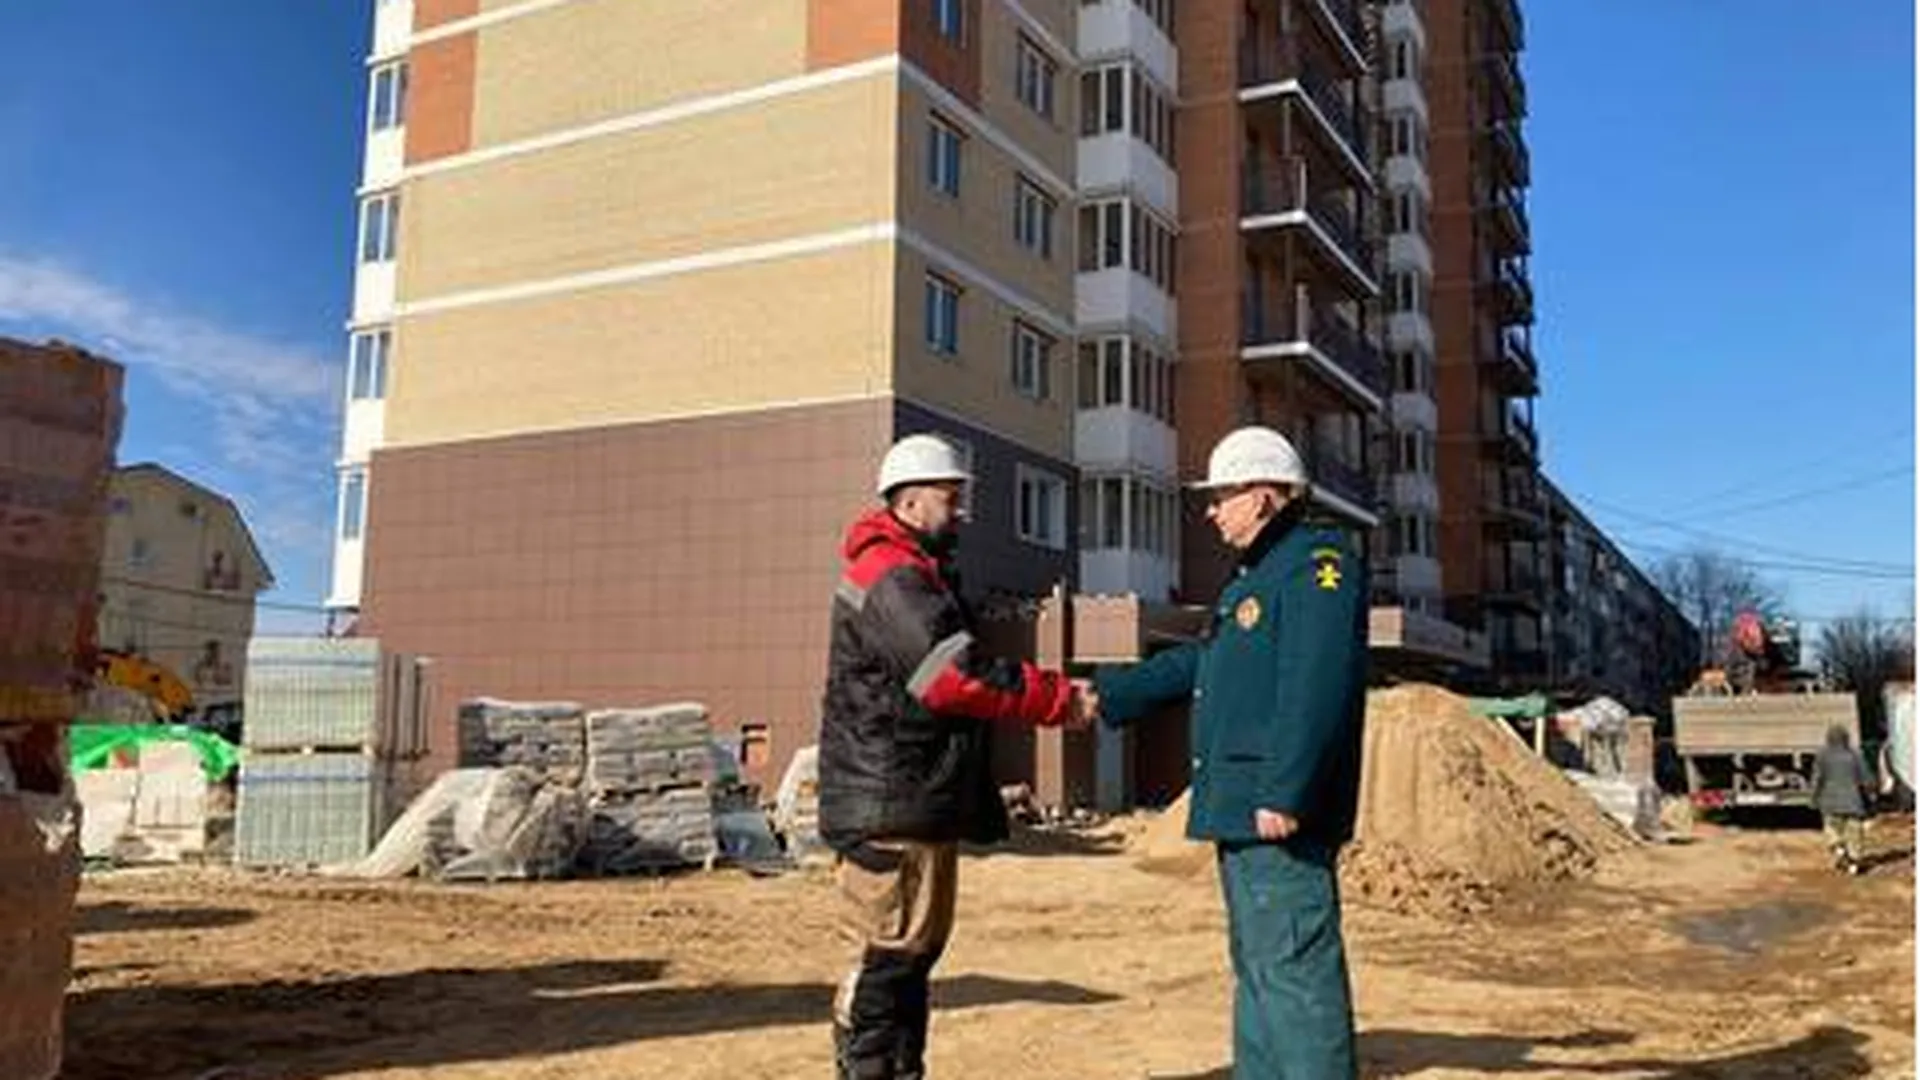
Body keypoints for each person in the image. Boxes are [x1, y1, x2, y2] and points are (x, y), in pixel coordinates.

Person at [1083, 426, 1368, 1080]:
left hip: (1274, 811)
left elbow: (1316, 681)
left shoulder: (1319, 563)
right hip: (1242, 808)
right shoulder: (1256, 577)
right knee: (1259, 966)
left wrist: (1286, 790)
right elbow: (1205, 662)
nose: (1211, 512)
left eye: (1220, 497)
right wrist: (1109, 694)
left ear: (1263, 495)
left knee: (1294, 970)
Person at [818, 433, 1088, 1080]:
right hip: (893, 805)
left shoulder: (909, 572)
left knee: (910, 958)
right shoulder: (893, 576)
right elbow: (951, 677)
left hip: (908, 801)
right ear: (910, 502)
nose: (961, 510)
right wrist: (1057, 699)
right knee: (889, 959)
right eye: (950, 497)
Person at [1810, 723, 1872, 875]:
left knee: (1831, 828)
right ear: (1846, 738)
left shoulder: (1822, 756)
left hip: (1830, 802)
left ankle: (1838, 847)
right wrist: (1871, 793)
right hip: (1854, 802)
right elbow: (1866, 778)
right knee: (1854, 833)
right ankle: (1854, 862)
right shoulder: (1855, 755)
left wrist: (1814, 797)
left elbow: (1817, 779)